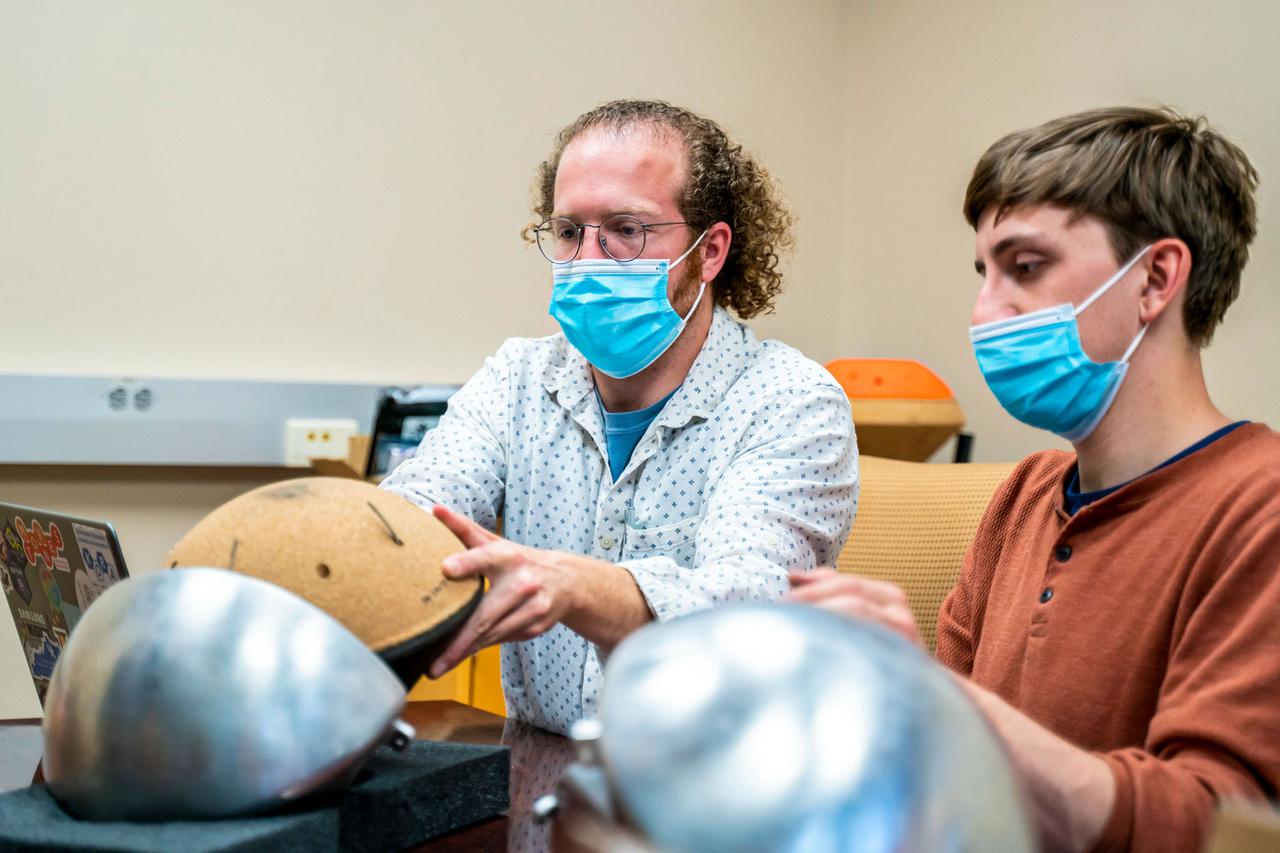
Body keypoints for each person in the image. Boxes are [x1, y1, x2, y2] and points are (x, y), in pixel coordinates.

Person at [788, 106, 1280, 852]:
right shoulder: (1025, 495)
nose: (984, 313)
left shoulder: (1259, 507)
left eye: (1024, 267)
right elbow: (944, 771)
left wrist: (933, 694)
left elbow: (1213, 827)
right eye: (983, 273)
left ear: (1155, 277)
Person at [384, 99, 858, 735]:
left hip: (710, 795)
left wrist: (572, 586)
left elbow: (747, 603)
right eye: (568, 231)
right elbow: (414, 513)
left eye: (626, 230)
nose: (588, 259)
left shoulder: (789, 401)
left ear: (710, 250)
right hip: (539, 784)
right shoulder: (518, 379)